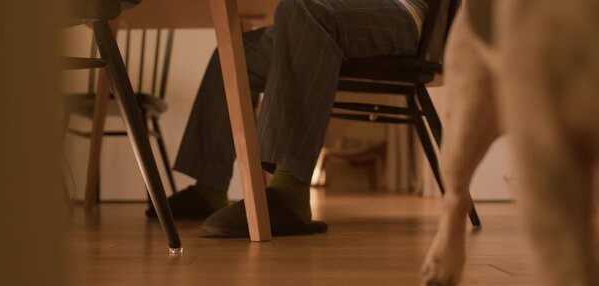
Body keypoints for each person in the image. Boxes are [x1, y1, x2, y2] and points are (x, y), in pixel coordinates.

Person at [147, 0, 446, 237]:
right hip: (349, 9)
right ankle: (208, 188)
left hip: (409, 13)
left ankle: (290, 193)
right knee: (234, 51)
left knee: (304, 9)